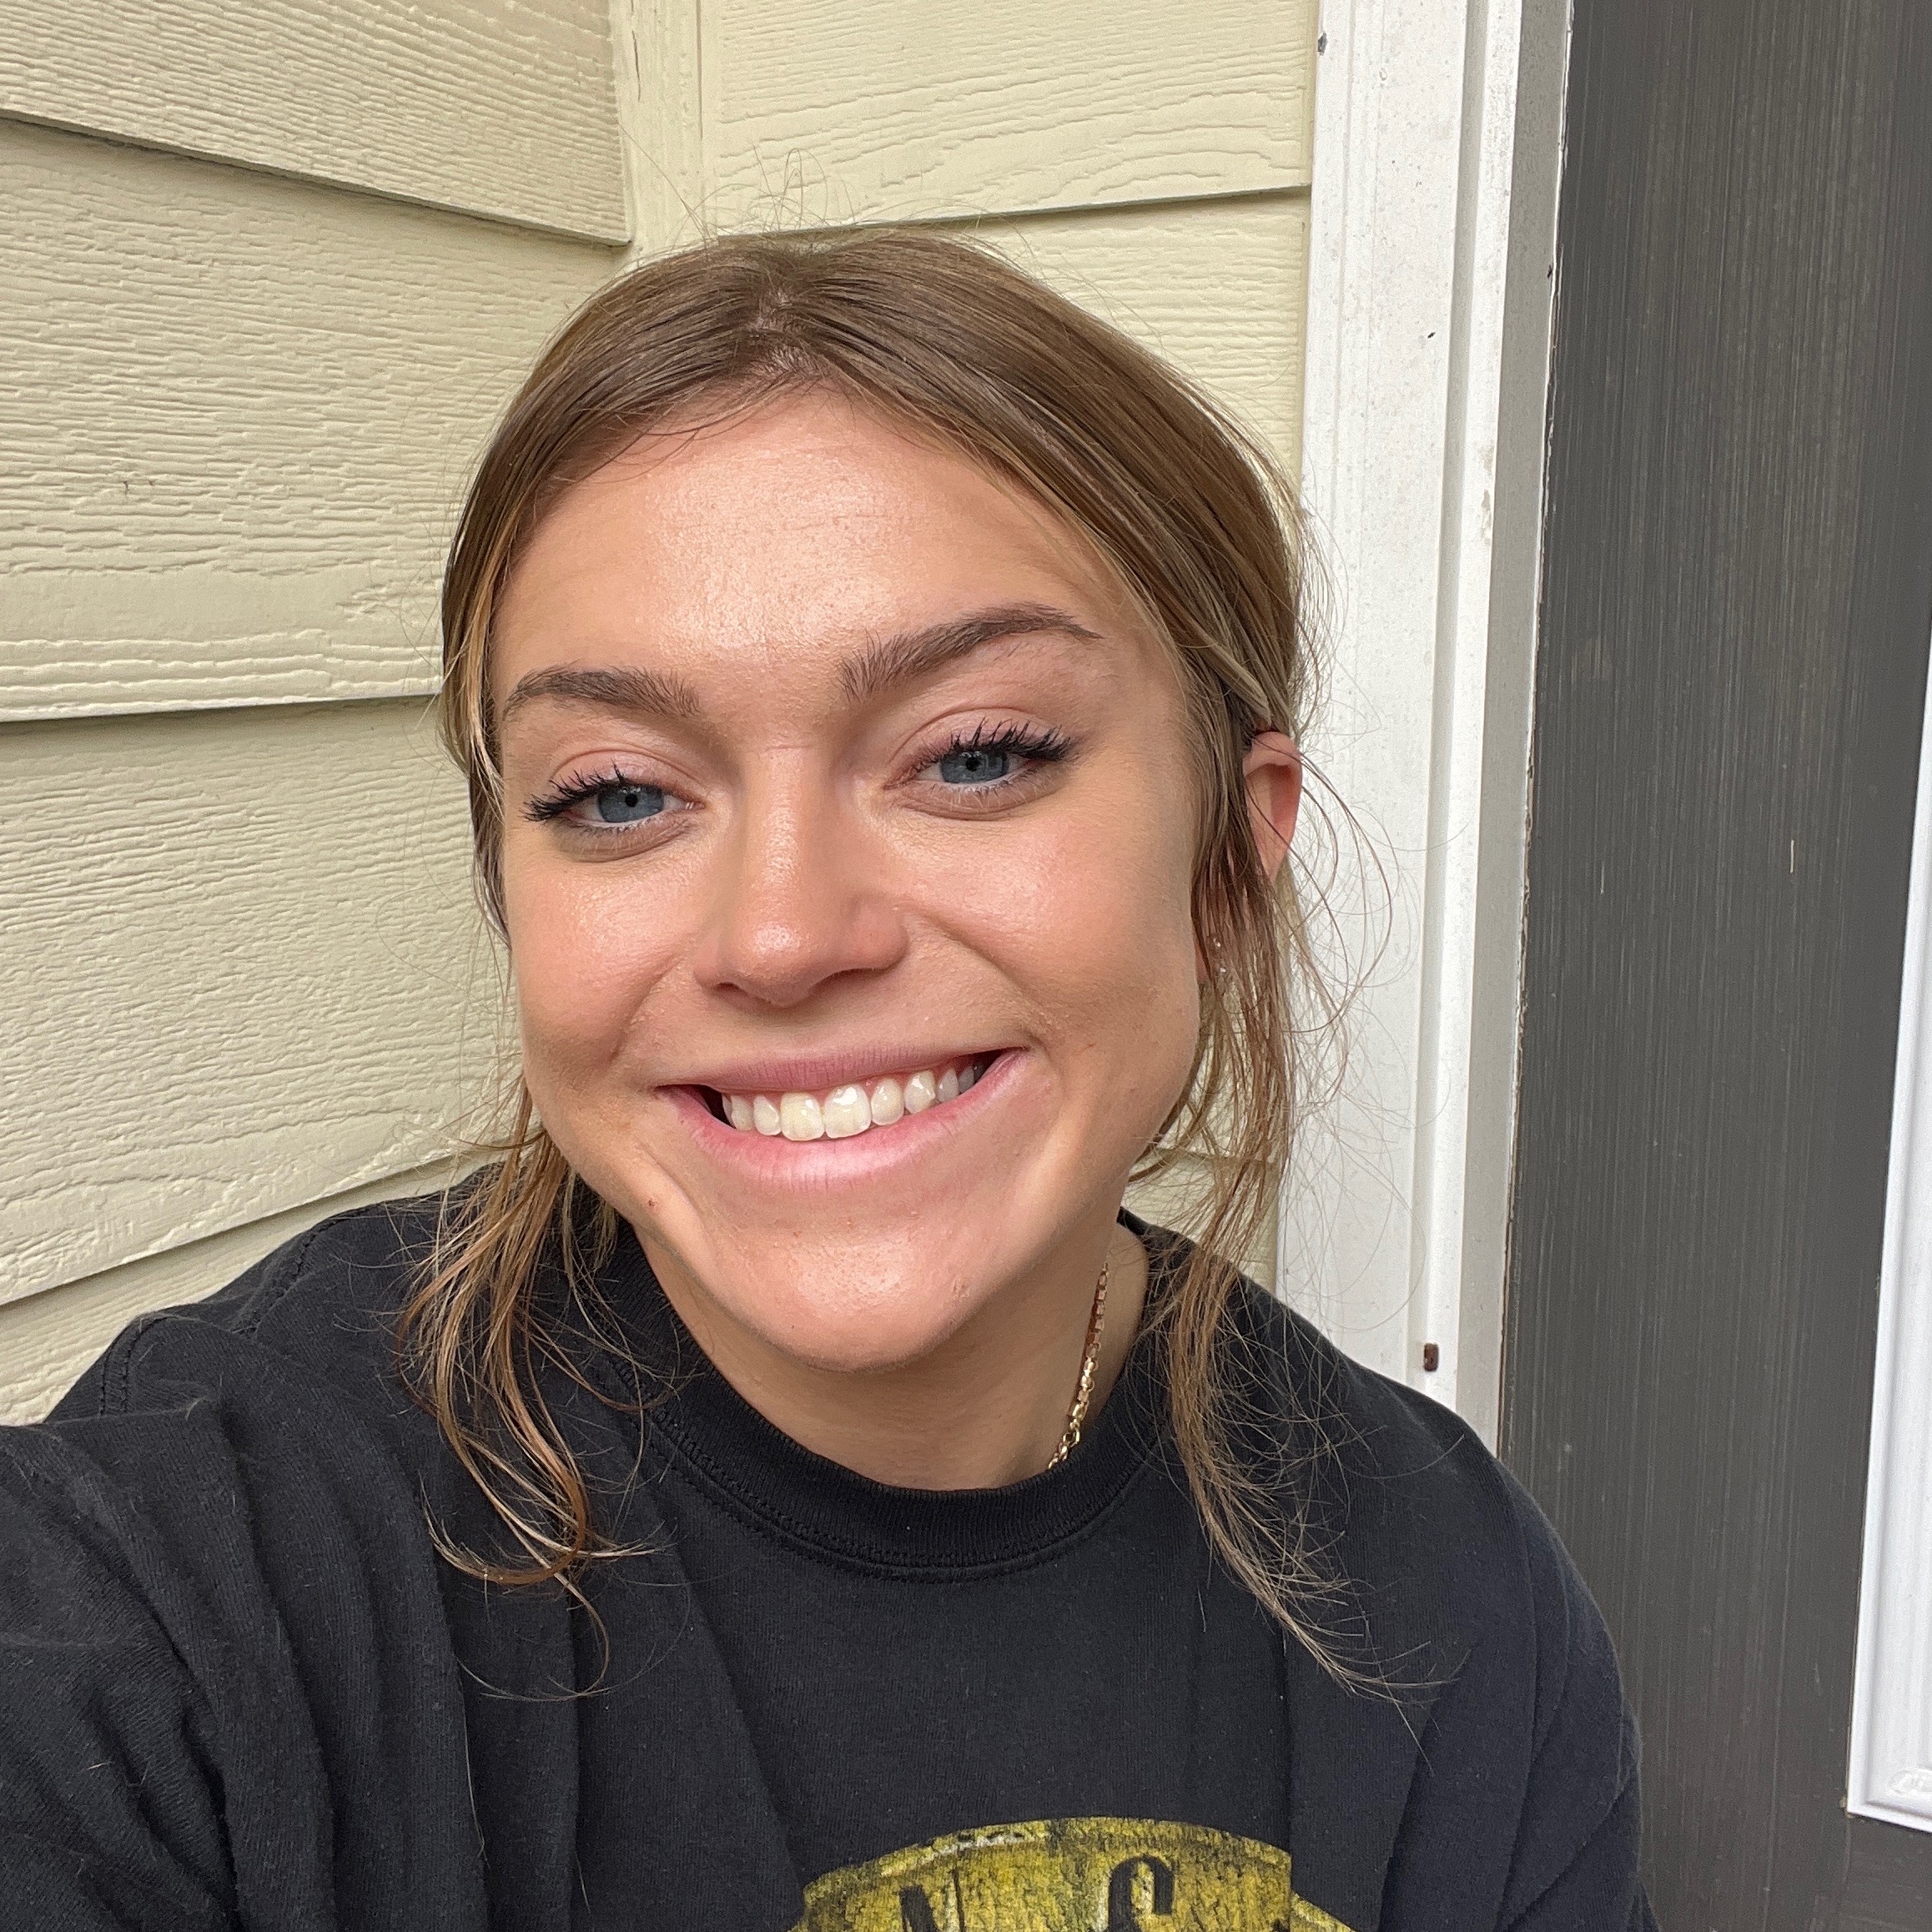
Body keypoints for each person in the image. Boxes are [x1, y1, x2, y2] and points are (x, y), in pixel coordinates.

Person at [0, 229, 1653, 1930]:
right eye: (620, 793)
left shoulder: (1453, 1603)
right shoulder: (198, 1558)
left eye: (976, 755)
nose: (782, 935)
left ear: (1227, 858)